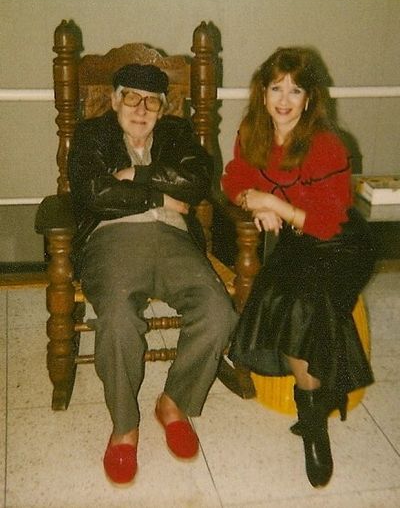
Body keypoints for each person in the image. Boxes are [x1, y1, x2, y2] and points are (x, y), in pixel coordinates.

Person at [68, 63, 237, 485]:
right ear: (114, 99)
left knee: (218, 311)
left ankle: (174, 401)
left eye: (152, 101)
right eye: (131, 97)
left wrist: (136, 175)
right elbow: (94, 192)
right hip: (112, 239)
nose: (141, 109)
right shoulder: (92, 134)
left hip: (174, 238)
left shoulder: (177, 134)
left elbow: (196, 179)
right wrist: (160, 195)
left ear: (163, 109)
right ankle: (125, 426)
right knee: (118, 320)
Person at [222, 47, 376, 488]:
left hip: (341, 243)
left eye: (295, 89)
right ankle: (314, 412)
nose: (284, 99)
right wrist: (250, 200)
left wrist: (273, 203)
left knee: (310, 302)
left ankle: (313, 430)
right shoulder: (252, 131)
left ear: (309, 98)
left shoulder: (326, 143)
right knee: (285, 299)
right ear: (263, 93)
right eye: (276, 88)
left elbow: (329, 223)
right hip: (296, 243)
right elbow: (234, 176)